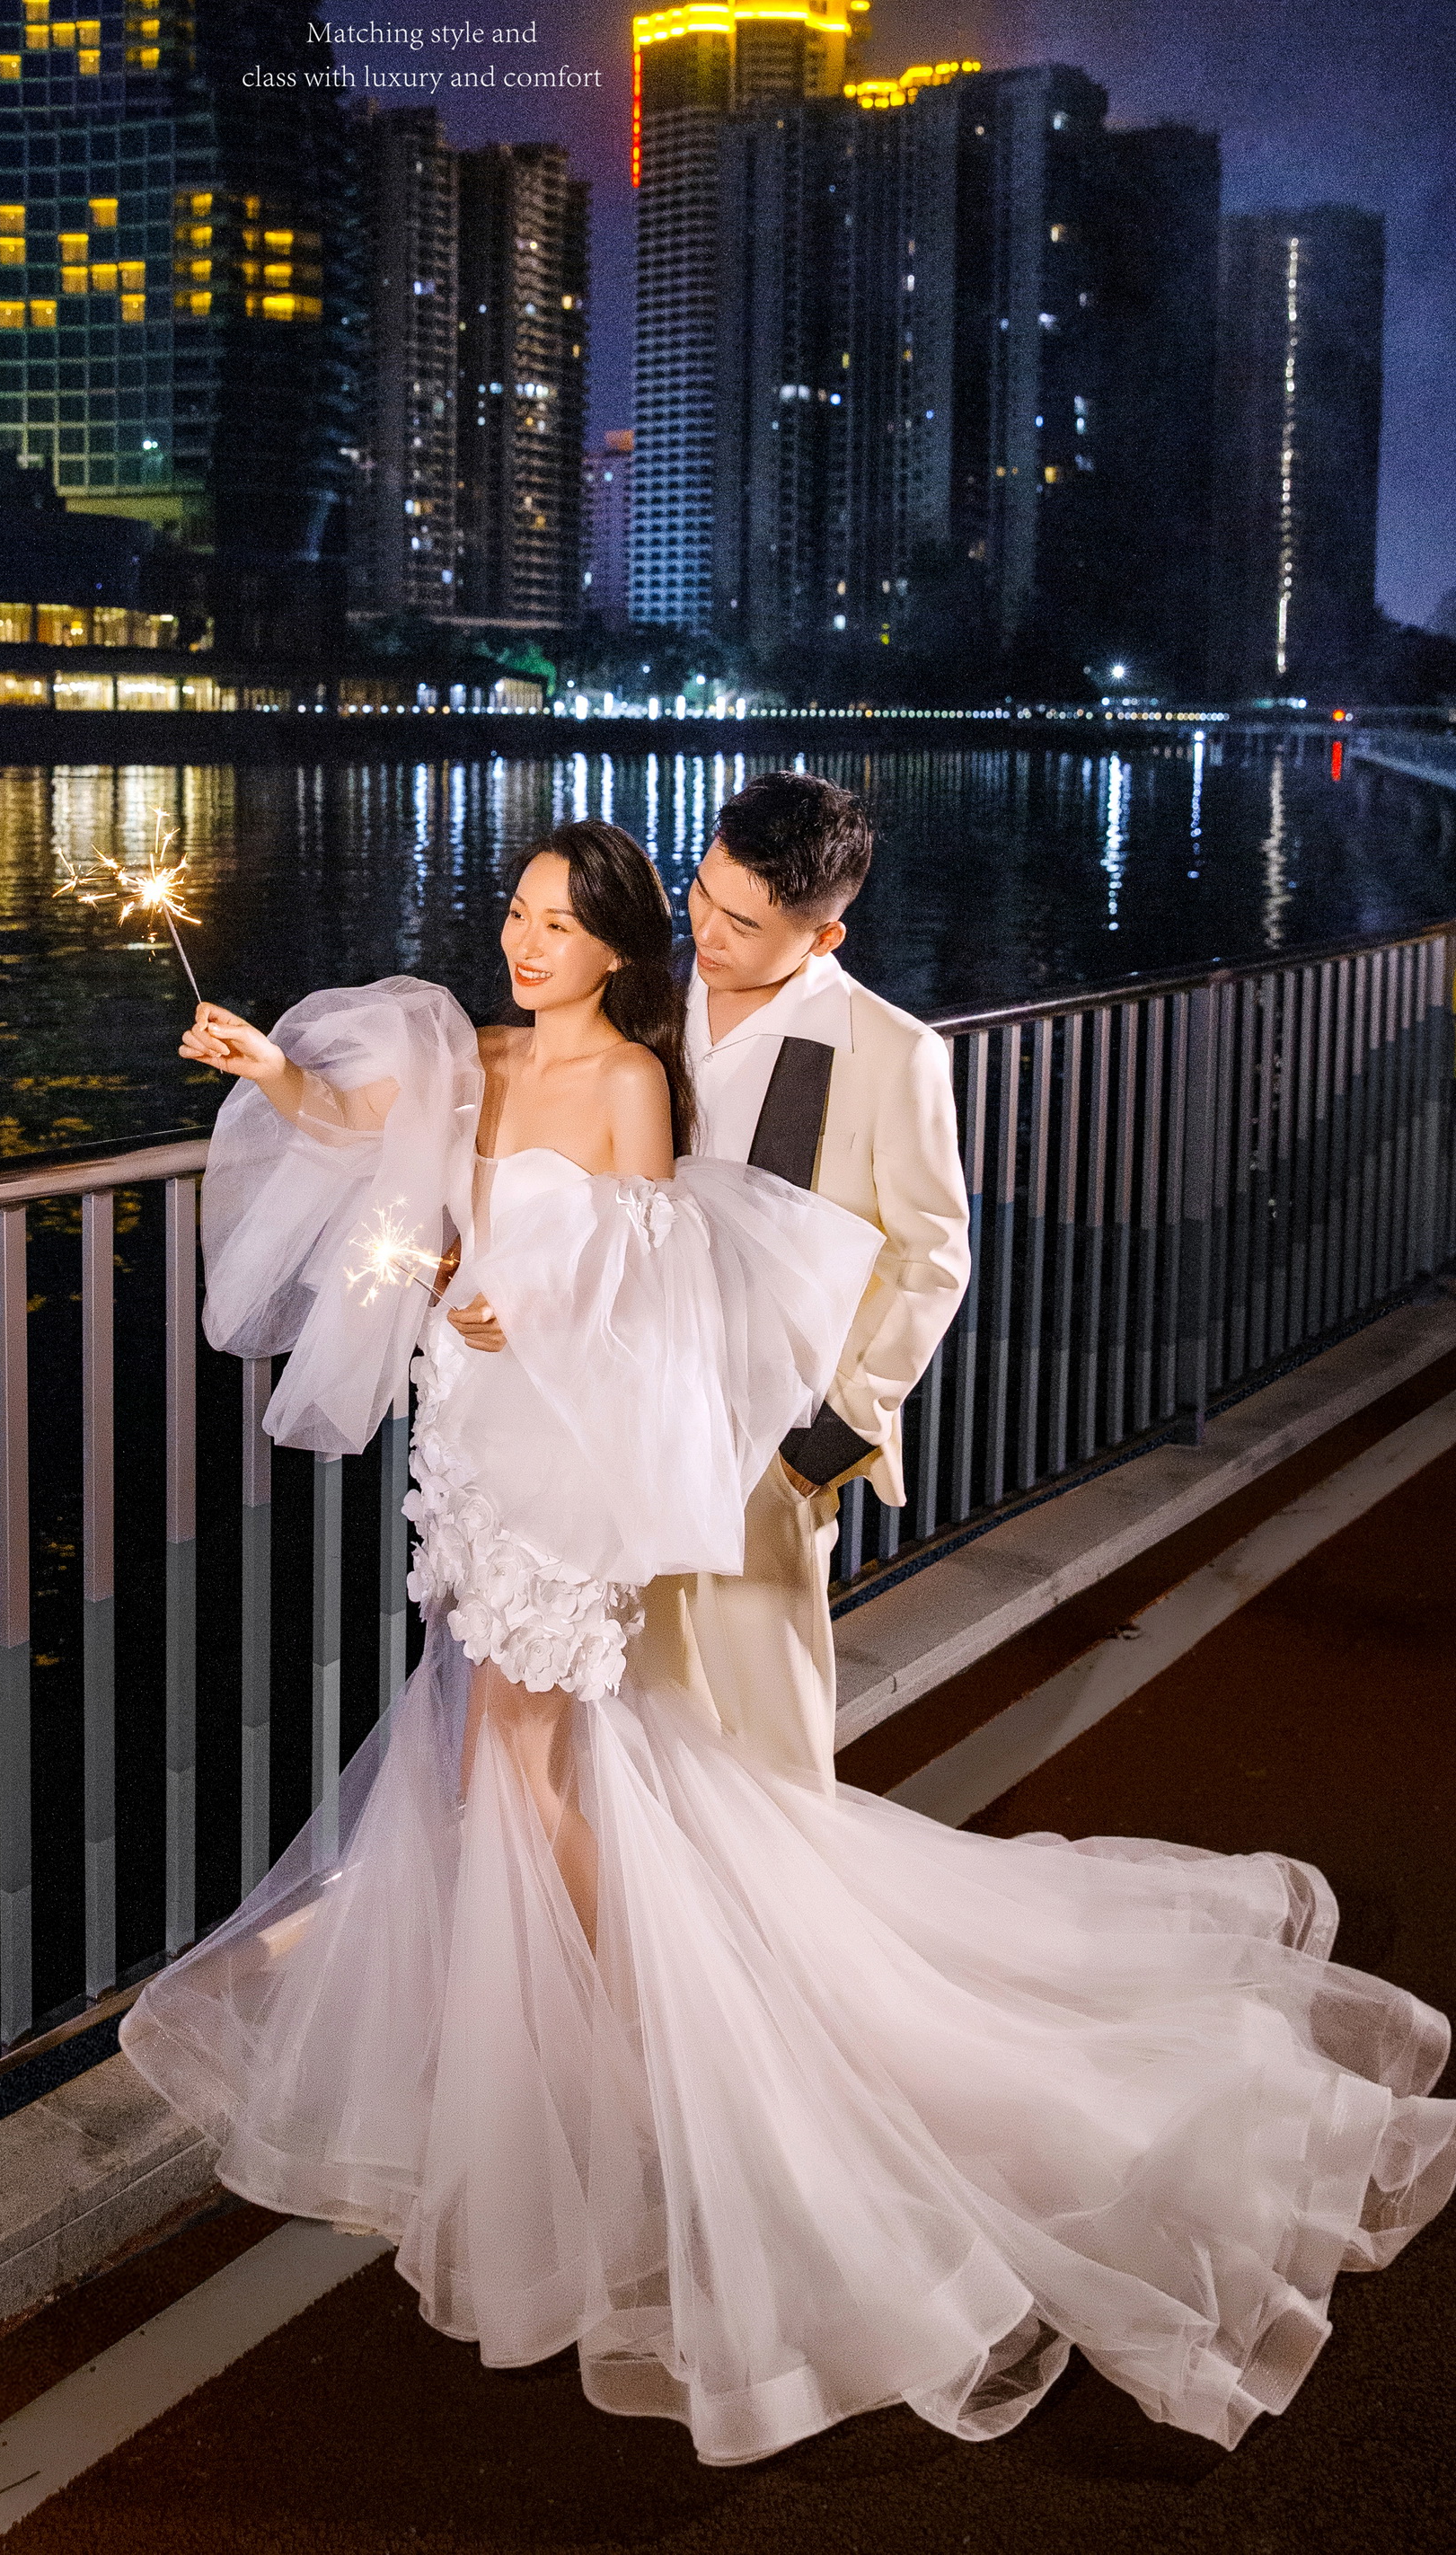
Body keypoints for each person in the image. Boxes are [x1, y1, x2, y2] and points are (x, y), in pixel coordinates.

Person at [120, 818, 1454, 2470]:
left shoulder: (802, 1059)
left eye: (578, 922)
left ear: (812, 925)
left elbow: (764, 1262)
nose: (699, 933)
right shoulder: (546, 1040)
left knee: (626, 1764)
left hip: (645, 1467)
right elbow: (407, 1142)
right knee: (568, 1763)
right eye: (686, 904)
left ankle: (685, 2057)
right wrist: (276, 1073)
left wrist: (784, 1435)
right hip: (497, 1449)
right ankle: (617, 2029)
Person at [645, 769, 970, 1789]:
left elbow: (930, 1255)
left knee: (769, 1735)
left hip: (772, 1435)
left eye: (743, 922)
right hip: (634, 1401)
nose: (705, 929)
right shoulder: (643, 1005)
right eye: (702, 891)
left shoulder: (892, 1052)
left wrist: (820, 1444)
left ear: (824, 936)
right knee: (641, 1709)